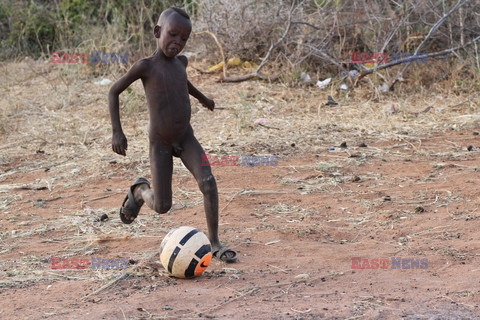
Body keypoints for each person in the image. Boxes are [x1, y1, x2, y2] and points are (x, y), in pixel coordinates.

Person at [108, 7, 237, 263]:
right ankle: (140, 190)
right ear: (158, 32)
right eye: (173, 34)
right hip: (161, 143)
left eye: (184, 39)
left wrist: (203, 98)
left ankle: (215, 244)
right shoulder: (145, 67)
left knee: (208, 182)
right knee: (162, 206)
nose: (177, 42)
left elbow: (183, 83)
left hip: (185, 136)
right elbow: (113, 92)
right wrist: (117, 132)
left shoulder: (181, 63)